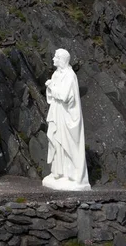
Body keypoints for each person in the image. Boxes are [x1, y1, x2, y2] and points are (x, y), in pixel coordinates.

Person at [42, 49, 91, 191]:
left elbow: (63, 96)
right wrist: (51, 87)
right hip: (57, 112)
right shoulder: (56, 74)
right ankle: (58, 172)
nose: (53, 59)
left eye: (56, 57)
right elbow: (52, 97)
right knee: (57, 142)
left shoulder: (70, 76)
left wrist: (51, 85)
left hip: (67, 116)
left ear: (62, 60)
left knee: (68, 143)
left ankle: (73, 175)